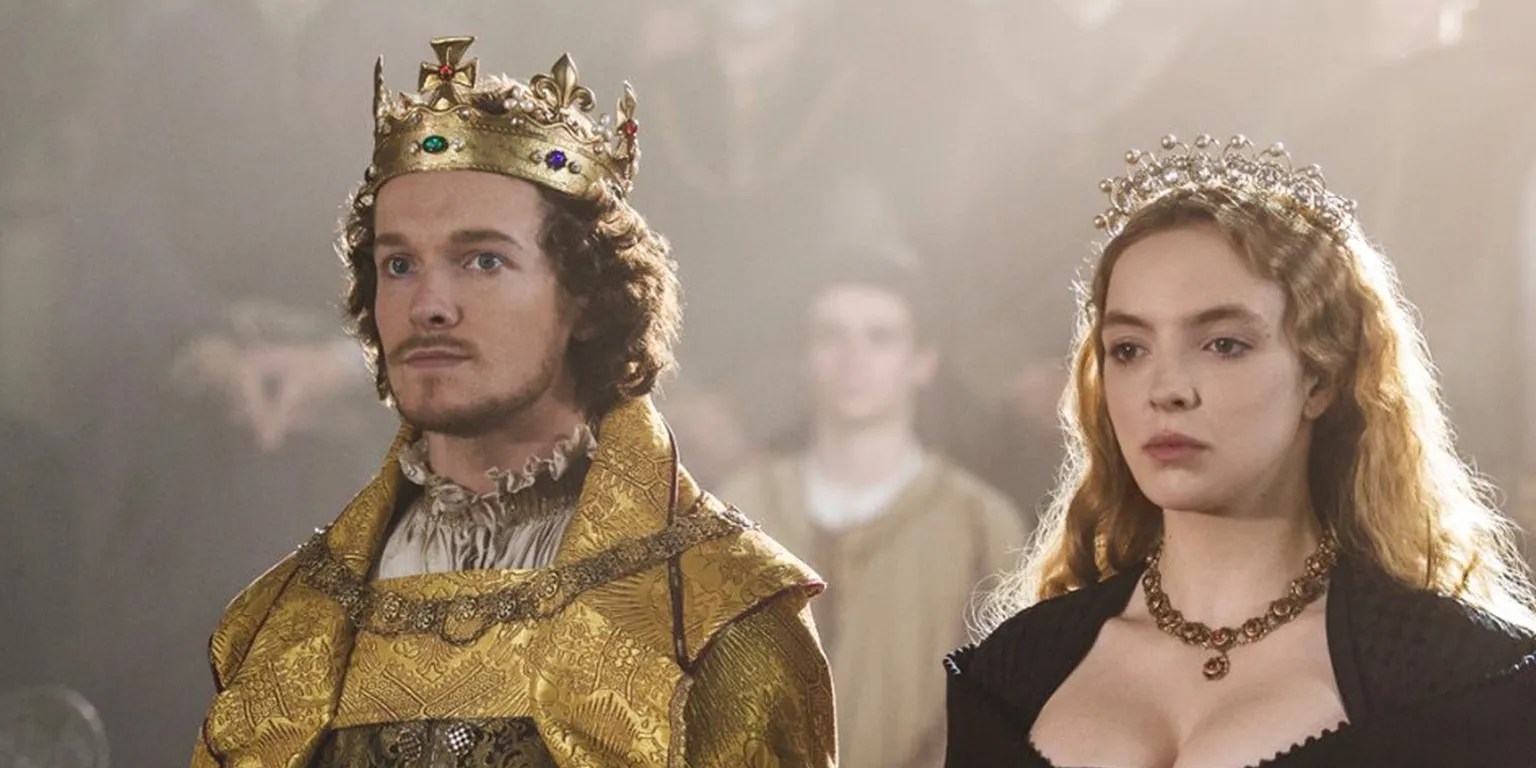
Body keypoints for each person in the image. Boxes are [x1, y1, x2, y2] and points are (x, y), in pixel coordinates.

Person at [189, 37, 835, 768]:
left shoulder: (723, 618)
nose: (428, 304)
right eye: (399, 264)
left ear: (585, 297)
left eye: (483, 260)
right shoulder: (282, 623)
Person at [945, 135, 1536, 767]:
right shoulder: (1014, 671)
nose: (1166, 390)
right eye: (1129, 349)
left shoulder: (1457, 676)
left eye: (1223, 344)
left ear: (1320, 377)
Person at [725, 252, 1024, 767]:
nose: (853, 359)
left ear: (924, 361)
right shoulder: (740, 509)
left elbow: (1004, 706)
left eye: (880, 337)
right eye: (831, 336)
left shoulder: (980, 523)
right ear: (804, 356)